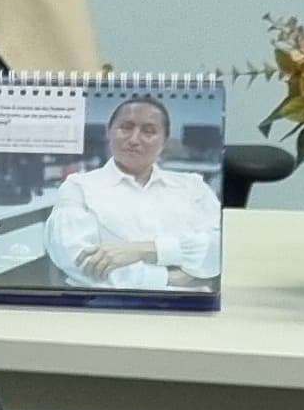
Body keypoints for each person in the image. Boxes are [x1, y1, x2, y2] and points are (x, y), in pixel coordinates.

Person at [44, 95, 222, 289]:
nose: (134, 139)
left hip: (191, 303)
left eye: (149, 131)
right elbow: (80, 261)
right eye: (126, 127)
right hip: (108, 302)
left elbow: (219, 249)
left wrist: (144, 250)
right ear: (109, 133)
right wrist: (169, 278)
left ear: (164, 141)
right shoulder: (78, 187)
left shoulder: (193, 187)